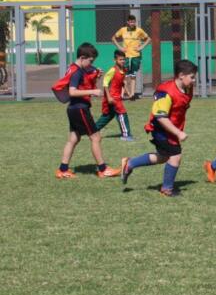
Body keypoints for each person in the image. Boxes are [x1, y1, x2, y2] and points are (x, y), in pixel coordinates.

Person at [120, 59, 197, 197]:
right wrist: (178, 132)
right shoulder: (165, 92)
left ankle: (130, 164)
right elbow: (160, 117)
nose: (194, 80)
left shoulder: (188, 88)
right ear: (181, 75)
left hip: (171, 128)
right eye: (192, 77)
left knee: (163, 157)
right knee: (175, 155)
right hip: (160, 129)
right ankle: (167, 189)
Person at [55, 42, 119, 179]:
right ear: (82, 57)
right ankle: (103, 169)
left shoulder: (74, 68)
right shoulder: (77, 72)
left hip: (73, 108)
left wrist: (95, 76)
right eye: (90, 61)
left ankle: (62, 169)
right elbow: (72, 92)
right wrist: (93, 91)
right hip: (80, 109)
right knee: (96, 137)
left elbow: (83, 81)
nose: (91, 64)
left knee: (73, 138)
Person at [95, 49, 133, 141]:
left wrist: (128, 92)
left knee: (108, 115)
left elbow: (122, 82)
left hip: (117, 96)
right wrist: (108, 97)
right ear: (115, 60)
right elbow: (105, 83)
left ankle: (93, 129)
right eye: (120, 59)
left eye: (124, 59)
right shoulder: (112, 70)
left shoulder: (124, 70)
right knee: (122, 112)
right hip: (112, 97)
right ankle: (126, 135)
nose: (123, 61)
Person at [112, 14, 151, 100]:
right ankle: (123, 94)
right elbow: (113, 38)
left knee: (133, 75)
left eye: (133, 22)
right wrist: (120, 48)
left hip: (135, 56)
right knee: (124, 75)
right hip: (125, 56)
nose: (132, 23)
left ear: (135, 22)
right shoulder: (122, 30)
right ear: (128, 22)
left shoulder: (139, 30)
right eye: (130, 22)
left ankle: (132, 94)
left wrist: (141, 47)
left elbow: (148, 39)